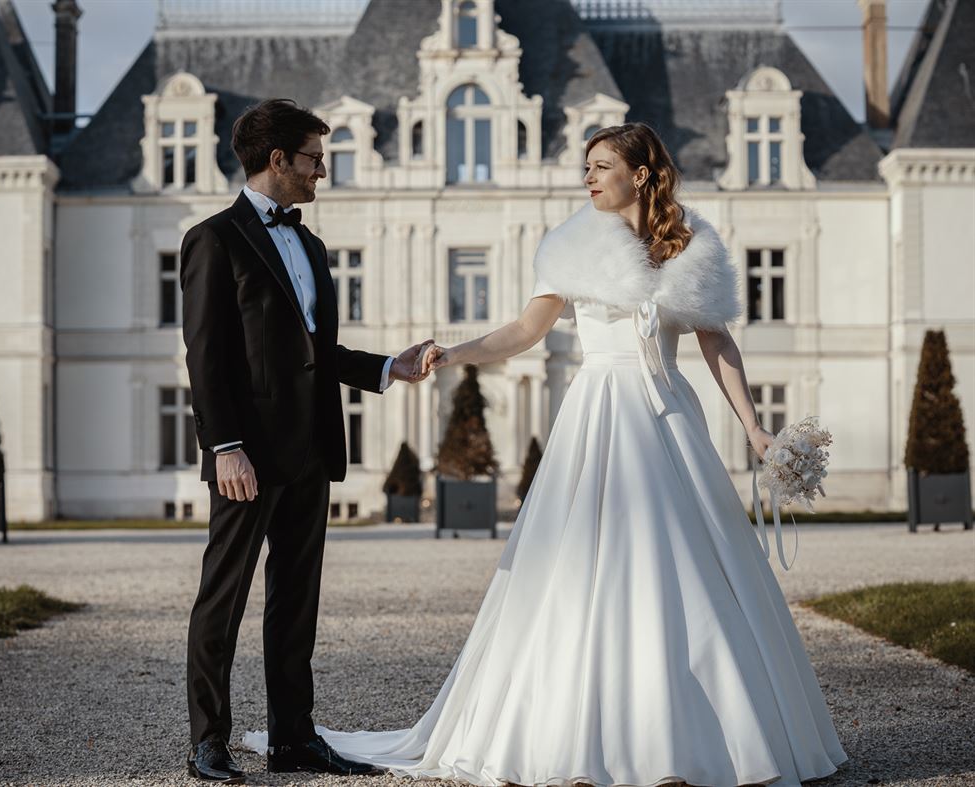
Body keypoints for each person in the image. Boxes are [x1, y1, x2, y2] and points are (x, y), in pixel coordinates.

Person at [246, 122, 848, 786]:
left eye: (601, 165)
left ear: (641, 174)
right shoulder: (572, 246)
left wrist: (756, 429)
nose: (587, 177)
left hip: (670, 414)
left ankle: (701, 739)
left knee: (694, 570)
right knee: (583, 569)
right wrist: (456, 351)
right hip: (599, 414)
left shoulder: (691, 245)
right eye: (585, 166)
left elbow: (717, 344)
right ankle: (582, 740)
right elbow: (525, 331)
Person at [181, 98, 432, 783]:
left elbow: (318, 349)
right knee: (222, 597)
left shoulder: (313, 246)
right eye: (316, 158)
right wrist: (223, 444)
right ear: (278, 159)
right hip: (247, 455)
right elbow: (206, 357)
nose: (324, 170)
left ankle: (294, 736)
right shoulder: (213, 239)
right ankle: (210, 739)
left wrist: (387, 367)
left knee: (297, 603)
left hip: (311, 448)